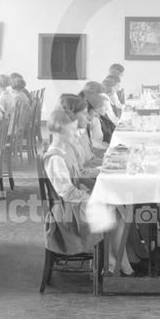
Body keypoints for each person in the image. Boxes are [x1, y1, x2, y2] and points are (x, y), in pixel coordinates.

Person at [41, 109, 105, 257]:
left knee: (119, 205)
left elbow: (78, 174)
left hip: (75, 200)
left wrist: (100, 170)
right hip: (69, 209)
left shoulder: (65, 151)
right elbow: (68, 193)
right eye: (73, 129)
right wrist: (93, 198)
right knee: (117, 210)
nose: (77, 133)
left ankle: (125, 256)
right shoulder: (56, 158)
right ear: (60, 130)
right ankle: (116, 262)